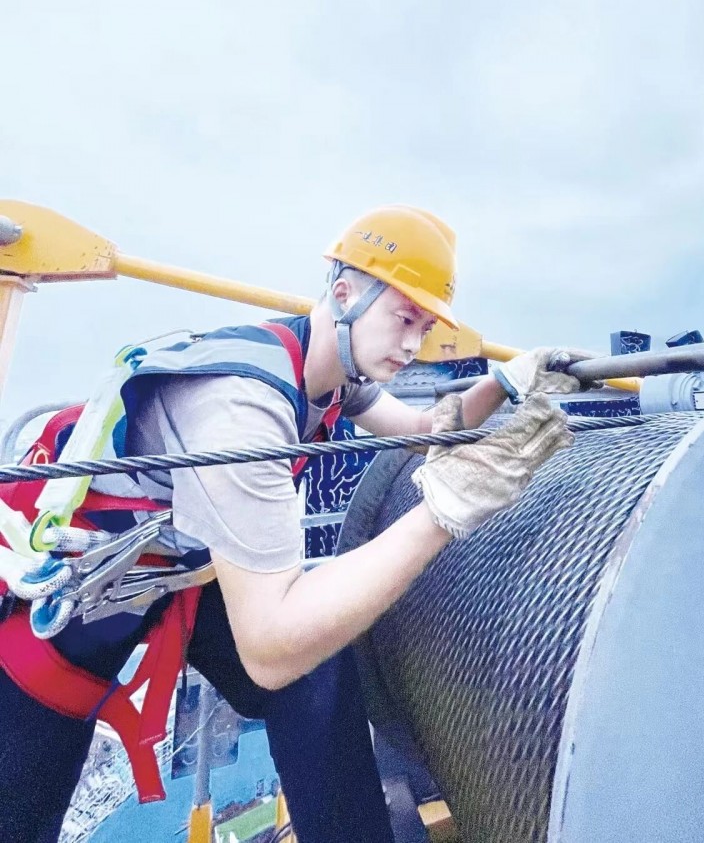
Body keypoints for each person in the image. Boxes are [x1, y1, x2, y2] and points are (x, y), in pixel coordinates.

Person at [0, 205, 583, 843]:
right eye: (403, 318)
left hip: (170, 576)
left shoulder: (326, 371)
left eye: (424, 325)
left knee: (318, 667)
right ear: (345, 295)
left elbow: (422, 430)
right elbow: (270, 648)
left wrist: (503, 382)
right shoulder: (241, 405)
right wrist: (446, 509)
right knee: (22, 812)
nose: (414, 346)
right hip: (69, 599)